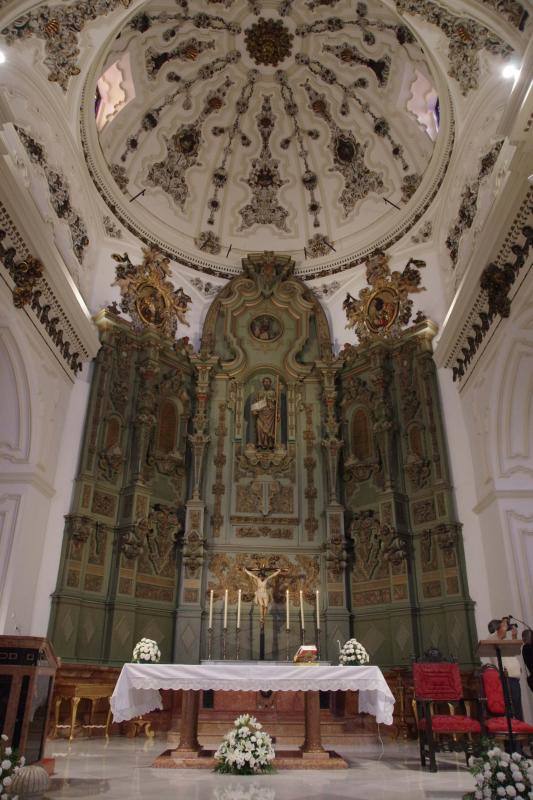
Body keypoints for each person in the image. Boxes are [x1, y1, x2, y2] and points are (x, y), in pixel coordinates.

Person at [488, 617, 523, 720]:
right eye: (504, 626)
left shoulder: (504, 640)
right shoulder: (492, 639)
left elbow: (514, 652)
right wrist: (503, 624)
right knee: (511, 708)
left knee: (517, 707)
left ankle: (521, 727)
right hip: (506, 677)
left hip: (514, 678)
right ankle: (515, 727)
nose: (506, 628)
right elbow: (499, 635)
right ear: (497, 629)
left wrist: (514, 636)